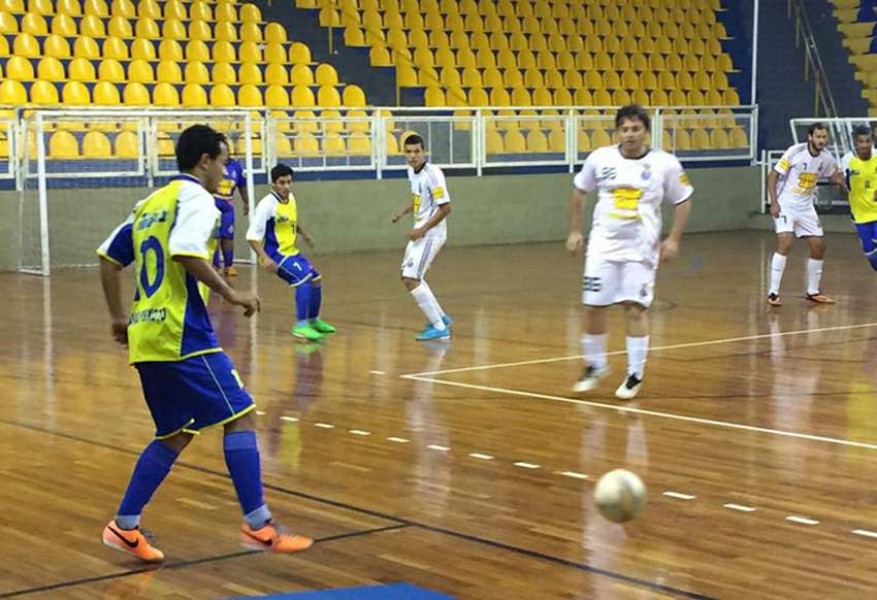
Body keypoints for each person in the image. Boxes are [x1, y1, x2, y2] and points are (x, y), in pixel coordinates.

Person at [96, 125, 312, 563]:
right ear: (204, 162)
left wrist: (119, 317)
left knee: (175, 434)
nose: (227, 169)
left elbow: (108, 257)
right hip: (183, 335)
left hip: (147, 334)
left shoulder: (149, 203)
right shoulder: (196, 199)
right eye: (224, 160)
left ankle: (124, 525)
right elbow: (186, 252)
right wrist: (231, 294)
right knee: (243, 415)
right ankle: (259, 525)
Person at [566, 104, 693, 400]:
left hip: (640, 249)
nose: (630, 134)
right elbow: (578, 191)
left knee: (634, 307)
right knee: (593, 306)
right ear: (617, 132)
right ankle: (595, 365)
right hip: (602, 247)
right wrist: (575, 230)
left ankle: (635, 373)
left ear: (646, 132)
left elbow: (683, 200)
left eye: (636, 129)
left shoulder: (665, 164)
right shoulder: (600, 158)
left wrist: (673, 239)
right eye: (625, 129)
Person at [246, 163, 335, 341]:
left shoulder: (291, 198)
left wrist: (303, 234)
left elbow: (290, 221)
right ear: (273, 184)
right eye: (282, 183)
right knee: (303, 279)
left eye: (288, 182)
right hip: (277, 255)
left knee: (316, 278)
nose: (286, 187)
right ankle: (300, 326)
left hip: (292, 252)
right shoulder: (266, 206)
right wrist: (264, 258)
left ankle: (313, 320)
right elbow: (251, 236)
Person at [766, 122, 846, 306]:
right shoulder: (795, 152)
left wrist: (841, 181)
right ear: (810, 137)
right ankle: (773, 292)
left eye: (824, 137)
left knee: (818, 245)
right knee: (785, 241)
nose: (821, 140)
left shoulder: (826, 158)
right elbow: (773, 175)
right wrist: (774, 202)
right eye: (818, 137)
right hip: (786, 203)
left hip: (806, 207)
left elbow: (833, 174)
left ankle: (813, 291)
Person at [391, 134, 453, 341]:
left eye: (417, 151)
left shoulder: (433, 174)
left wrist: (423, 229)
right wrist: (403, 212)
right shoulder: (411, 172)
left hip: (431, 233)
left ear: (424, 152)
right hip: (421, 230)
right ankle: (441, 319)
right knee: (409, 276)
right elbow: (419, 199)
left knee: (411, 278)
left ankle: (439, 327)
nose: (412, 156)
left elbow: (446, 208)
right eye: (408, 152)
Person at [842, 125, 877, 271]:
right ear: (855, 142)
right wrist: (841, 185)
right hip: (859, 214)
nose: (864, 145)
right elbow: (844, 186)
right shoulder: (847, 160)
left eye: (867, 141)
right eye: (861, 141)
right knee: (870, 254)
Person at [213, 150, 249, 277]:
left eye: (226, 151)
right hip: (213, 203)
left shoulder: (236, 166)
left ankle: (229, 265)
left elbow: (242, 185)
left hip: (228, 205)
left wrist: (246, 202)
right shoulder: (213, 165)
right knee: (215, 236)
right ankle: (215, 265)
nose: (224, 154)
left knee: (228, 235)